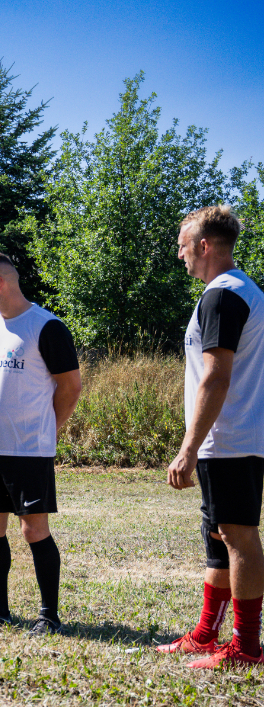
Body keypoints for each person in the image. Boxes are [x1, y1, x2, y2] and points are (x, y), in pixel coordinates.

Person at [164, 206, 264, 668]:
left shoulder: (223, 295)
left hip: (229, 438)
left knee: (238, 535)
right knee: (220, 533)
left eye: (183, 245)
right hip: (232, 437)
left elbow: (216, 377)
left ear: (204, 246)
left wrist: (188, 448)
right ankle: (207, 634)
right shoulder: (240, 290)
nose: (180, 254)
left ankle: (245, 648)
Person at [0, 253, 81, 634]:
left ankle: (49, 615)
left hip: (30, 448)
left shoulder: (47, 326)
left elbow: (70, 387)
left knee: (33, 529)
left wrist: (48, 427)